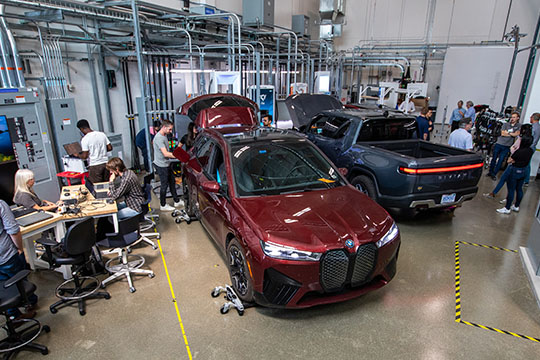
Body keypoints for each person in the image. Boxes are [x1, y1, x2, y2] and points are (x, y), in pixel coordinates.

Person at [0, 200, 37, 319]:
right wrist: (19, 248)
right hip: (6, 254)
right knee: (19, 278)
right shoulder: (0, 204)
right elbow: (13, 230)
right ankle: (29, 302)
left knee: (3, 288)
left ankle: (13, 316)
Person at [484, 124, 532, 199]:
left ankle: (504, 200)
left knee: (508, 184)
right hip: (522, 168)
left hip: (514, 165)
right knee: (518, 187)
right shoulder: (530, 150)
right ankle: (514, 204)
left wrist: (512, 154)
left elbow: (511, 158)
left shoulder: (520, 145)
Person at [496, 135, 534, 214]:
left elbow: (509, 161)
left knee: (511, 190)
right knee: (519, 189)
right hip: (523, 171)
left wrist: (512, 152)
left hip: (514, 170)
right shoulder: (530, 151)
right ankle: (516, 206)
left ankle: (507, 208)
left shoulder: (519, 151)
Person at [153, 120, 183, 211]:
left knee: (172, 183)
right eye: (169, 129)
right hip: (162, 165)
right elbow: (165, 154)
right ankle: (163, 205)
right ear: (164, 127)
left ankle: (176, 201)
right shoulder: (159, 138)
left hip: (167, 163)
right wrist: (178, 156)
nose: (170, 131)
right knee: (164, 185)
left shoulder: (164, 135)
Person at [486, 111, 521, 181]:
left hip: (507, 146)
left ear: (518, 118)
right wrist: (512, 133)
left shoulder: (519, 126)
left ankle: (494, 174)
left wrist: (508, 133)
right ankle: (490, 172)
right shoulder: (505, 124)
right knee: (494, 159)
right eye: (511, 117)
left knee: (501, 160)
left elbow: (516, 134)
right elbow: (502, 133)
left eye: (514, 117)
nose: (512, 119)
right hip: (499, 143)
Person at [524, 112, 540, 186]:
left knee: (526, 164)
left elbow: (530, 138)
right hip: (532, 147)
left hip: (529, 147)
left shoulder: (534, 127)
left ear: (533, 118)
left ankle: (525, 180)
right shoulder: (538, 127)